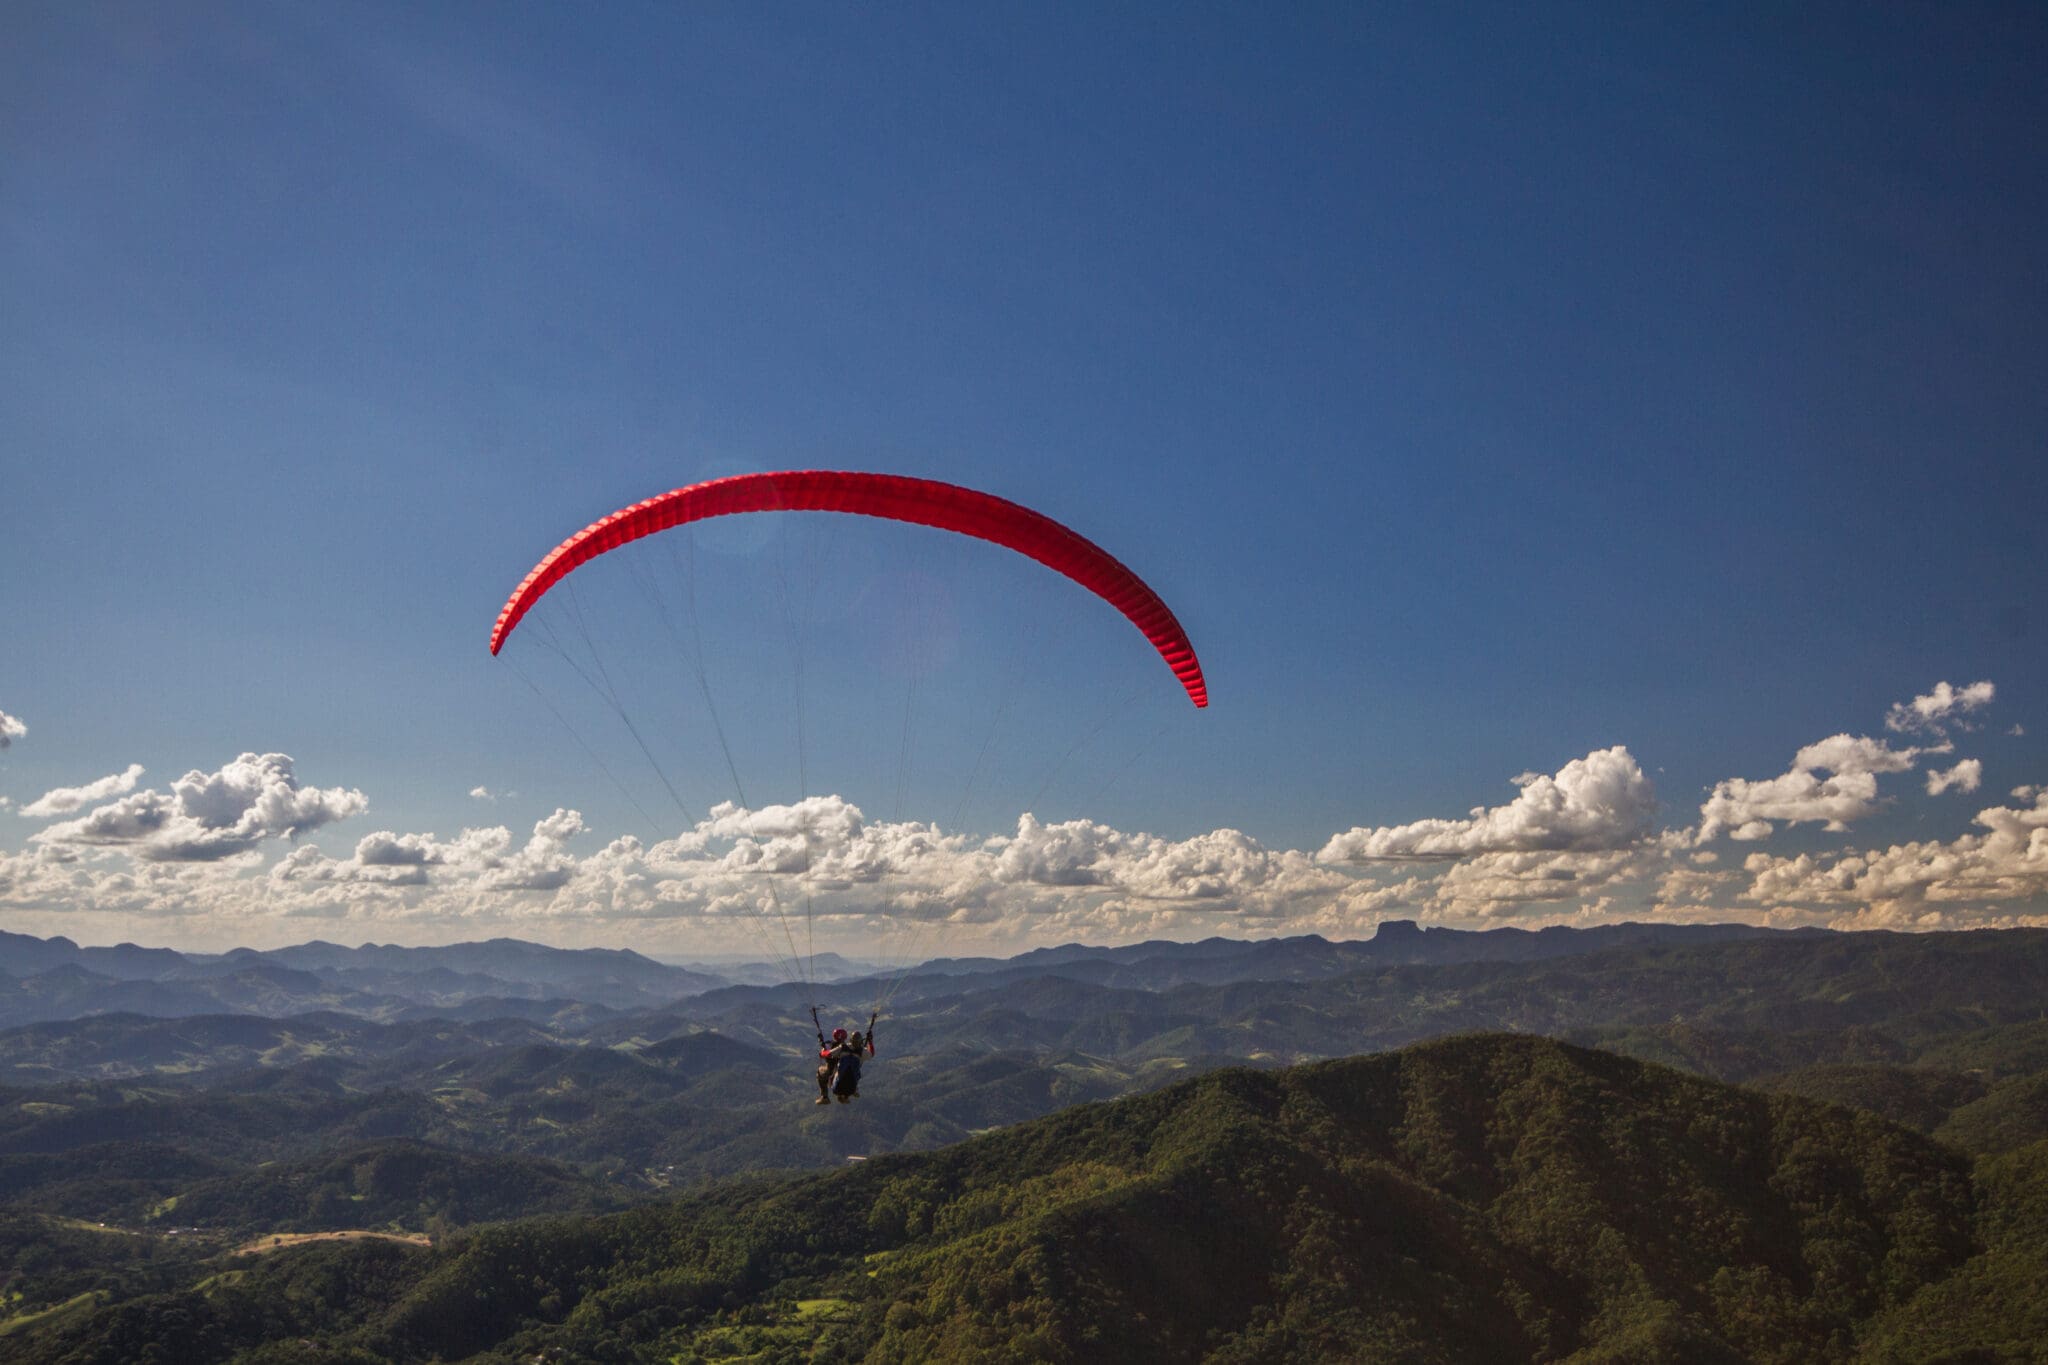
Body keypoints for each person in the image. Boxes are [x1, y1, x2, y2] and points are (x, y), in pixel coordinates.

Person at [812, 1012, 878, 1105]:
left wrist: (822, 1052)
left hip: (836, 1085)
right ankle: (852, 1092)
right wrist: (870, 1041)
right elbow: (872, 1053)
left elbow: (827, 1054)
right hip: (852, 1087)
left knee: (822, 1073)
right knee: (855, 1071)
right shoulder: (862, 1051)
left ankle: (824, 1097)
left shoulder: (842, 1048)